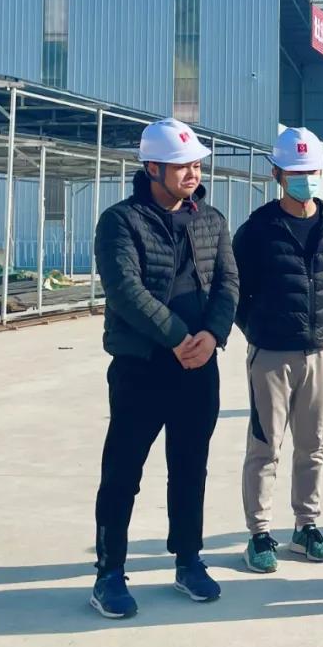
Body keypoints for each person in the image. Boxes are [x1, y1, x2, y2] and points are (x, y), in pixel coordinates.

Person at [90, 118, 239, 619]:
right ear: (152, 168)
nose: (193, 174)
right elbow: (125, 290)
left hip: (199, 367)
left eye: (196, 165)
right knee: (123, 471)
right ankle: (109, 573)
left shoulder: (212, 220)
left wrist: (212, 336)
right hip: (142, 366)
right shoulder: (121, 221)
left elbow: (228, 284)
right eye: (181, 166)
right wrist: (177, 337)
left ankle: (188, 560)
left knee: (190, 467)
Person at [234, 127, 323, 573]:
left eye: (311, 171)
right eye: (296, 172)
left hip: (321, 351)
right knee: (265, 446)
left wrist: (322, 327)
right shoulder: (258, 229)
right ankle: (259, 533)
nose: (305, 179)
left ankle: (306, 527)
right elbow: (236, 289)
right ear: (278, 175)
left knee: (312, 445)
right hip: (271, 353)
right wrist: (259, 330)